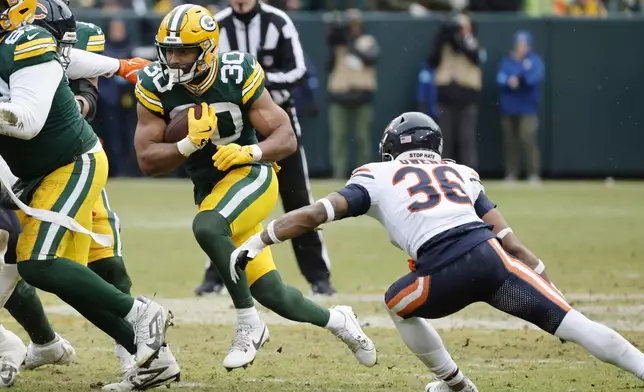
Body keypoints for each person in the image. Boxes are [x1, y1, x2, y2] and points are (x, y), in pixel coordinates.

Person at [231, 111, 644, 392]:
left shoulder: (376, 174)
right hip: (493, 261)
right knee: (577, 324)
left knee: (396, 303)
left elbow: (314, 215)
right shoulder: (459, 173)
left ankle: (457, 385)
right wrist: (543, 282)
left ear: (392, 146)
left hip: (441, 272)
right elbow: (511, 243)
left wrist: (259, 240)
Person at [133, 4, 376, 371]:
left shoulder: (236, 71)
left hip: (252, 176)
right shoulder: (155, 84)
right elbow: (147, 160)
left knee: (206, 226)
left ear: (208, 49)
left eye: (184, 51)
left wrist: (248, 150)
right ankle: (339, 321)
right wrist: (186, 145)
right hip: (213, 190)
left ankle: (249, 324)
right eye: (169, 51)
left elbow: (285, 136)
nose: (174, 60)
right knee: (273, 293)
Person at [0, 0, 178, 389]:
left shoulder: (26, 39)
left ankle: (139, 312)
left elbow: (27, 122)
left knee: (42, 264)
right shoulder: (22, 44)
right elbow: (69, 61)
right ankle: (153, 356)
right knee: (55, 274)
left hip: (69, 163)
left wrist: (116, 67)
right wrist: (118, 65)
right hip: (30, 176)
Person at [193, 0, 335, 297]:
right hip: (234, 126)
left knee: (297, 197)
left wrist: (255, 82)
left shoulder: (278, 22)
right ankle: (214, 276)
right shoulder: (217, 24)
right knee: (222, 199)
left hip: (277, 120)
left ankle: (318, 276)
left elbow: (298, 70)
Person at [327, 8, 379, 179]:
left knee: (362, 137)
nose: (353, 28)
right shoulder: (338, 43)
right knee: (338, 137)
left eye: (356, 24)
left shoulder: (367, 41)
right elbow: (330, 42)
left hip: (362, 95)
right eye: (350, 25)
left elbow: (370, 57)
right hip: (340, 95)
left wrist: (351, 41)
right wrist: (337, 29)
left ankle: (363, 173)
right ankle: (338, 172)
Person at [429, 14, 485, 169]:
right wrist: (444, 37)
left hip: (466, 97)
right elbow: (432, 61)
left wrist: (460, 40)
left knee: (466, 138)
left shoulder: (472, 42)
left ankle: (470, 174)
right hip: (445, 97)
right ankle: (443, 172)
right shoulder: (443, 44)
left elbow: (475, 56)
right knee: (445, 138)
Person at [496, 30, 544, 184]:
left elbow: (534, 78)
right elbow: (500, 78)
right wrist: (509, 81)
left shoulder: (534, 60)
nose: (521, 47)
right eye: (519, 44)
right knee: (511, 142)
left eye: (524, 45)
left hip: (528, 108)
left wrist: (519, 80)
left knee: (528, 138)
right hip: (509, 107)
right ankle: (511, 174)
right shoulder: (507, 60)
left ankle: (533, 174)